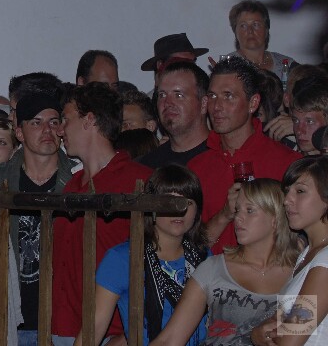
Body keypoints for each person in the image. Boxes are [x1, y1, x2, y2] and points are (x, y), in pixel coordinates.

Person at [52, 83, 152, 344]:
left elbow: (161, 263)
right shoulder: (71, 186)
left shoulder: (139, 181)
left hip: (113, 333)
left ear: (90, 120)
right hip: (63, 330)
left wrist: (129, 336)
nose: (60, 130)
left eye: (66, 119)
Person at [149, 178, 300, 346]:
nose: (238, 218)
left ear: (276, 218)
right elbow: (169, 340)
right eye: (237, 210)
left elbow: (306, 333)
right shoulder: (213, 268)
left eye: (250, 210)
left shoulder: (301, 272)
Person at [75, 165, 210, 346]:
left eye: (188, 202)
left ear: (197, 210)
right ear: (150, 206)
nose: (180, 209)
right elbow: (93, 329)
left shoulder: (204, 257)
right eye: (169, 201)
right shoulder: (123, 258)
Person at [0, 95, 71, 345]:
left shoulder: (77, 178)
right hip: (11, 316)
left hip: (62, 319)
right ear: (19, 132)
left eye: (53, 122)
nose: (47, 130)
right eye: (36, 122)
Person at [188, 58, 300, 252]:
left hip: (271, 270)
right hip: (212, 271)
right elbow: (189, 251)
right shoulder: (196, 168)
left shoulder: (288, 163)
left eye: (228, 96)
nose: (217, 106)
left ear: (253, 103)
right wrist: (224, 215)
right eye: (212, 96)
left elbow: (301, 241)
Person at [252, 157, 328, 345]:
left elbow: (290, 339)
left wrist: (262, 335)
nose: (286, 200)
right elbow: (275, 324)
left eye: (300, 191)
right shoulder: (308, 254)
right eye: (287, 191)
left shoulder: (325, 260)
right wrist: (258, 334)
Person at [137, 61, 210, 169]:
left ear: (203, 104)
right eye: (162, 95)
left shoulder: (225, 157)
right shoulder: (147, 167)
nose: (167, 102)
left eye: (178, 95)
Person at [226, 0, 296, 81]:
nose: (250, 31)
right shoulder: (226, 66)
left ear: (266, 29)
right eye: (243, 26)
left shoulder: (287, 65)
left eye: (256, 24)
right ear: (235, 31)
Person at [140, 33, 209, 87]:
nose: (189, 69)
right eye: (181, 63)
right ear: (160, 65)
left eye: (192, 64)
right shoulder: (149, 100)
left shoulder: (202, 94)